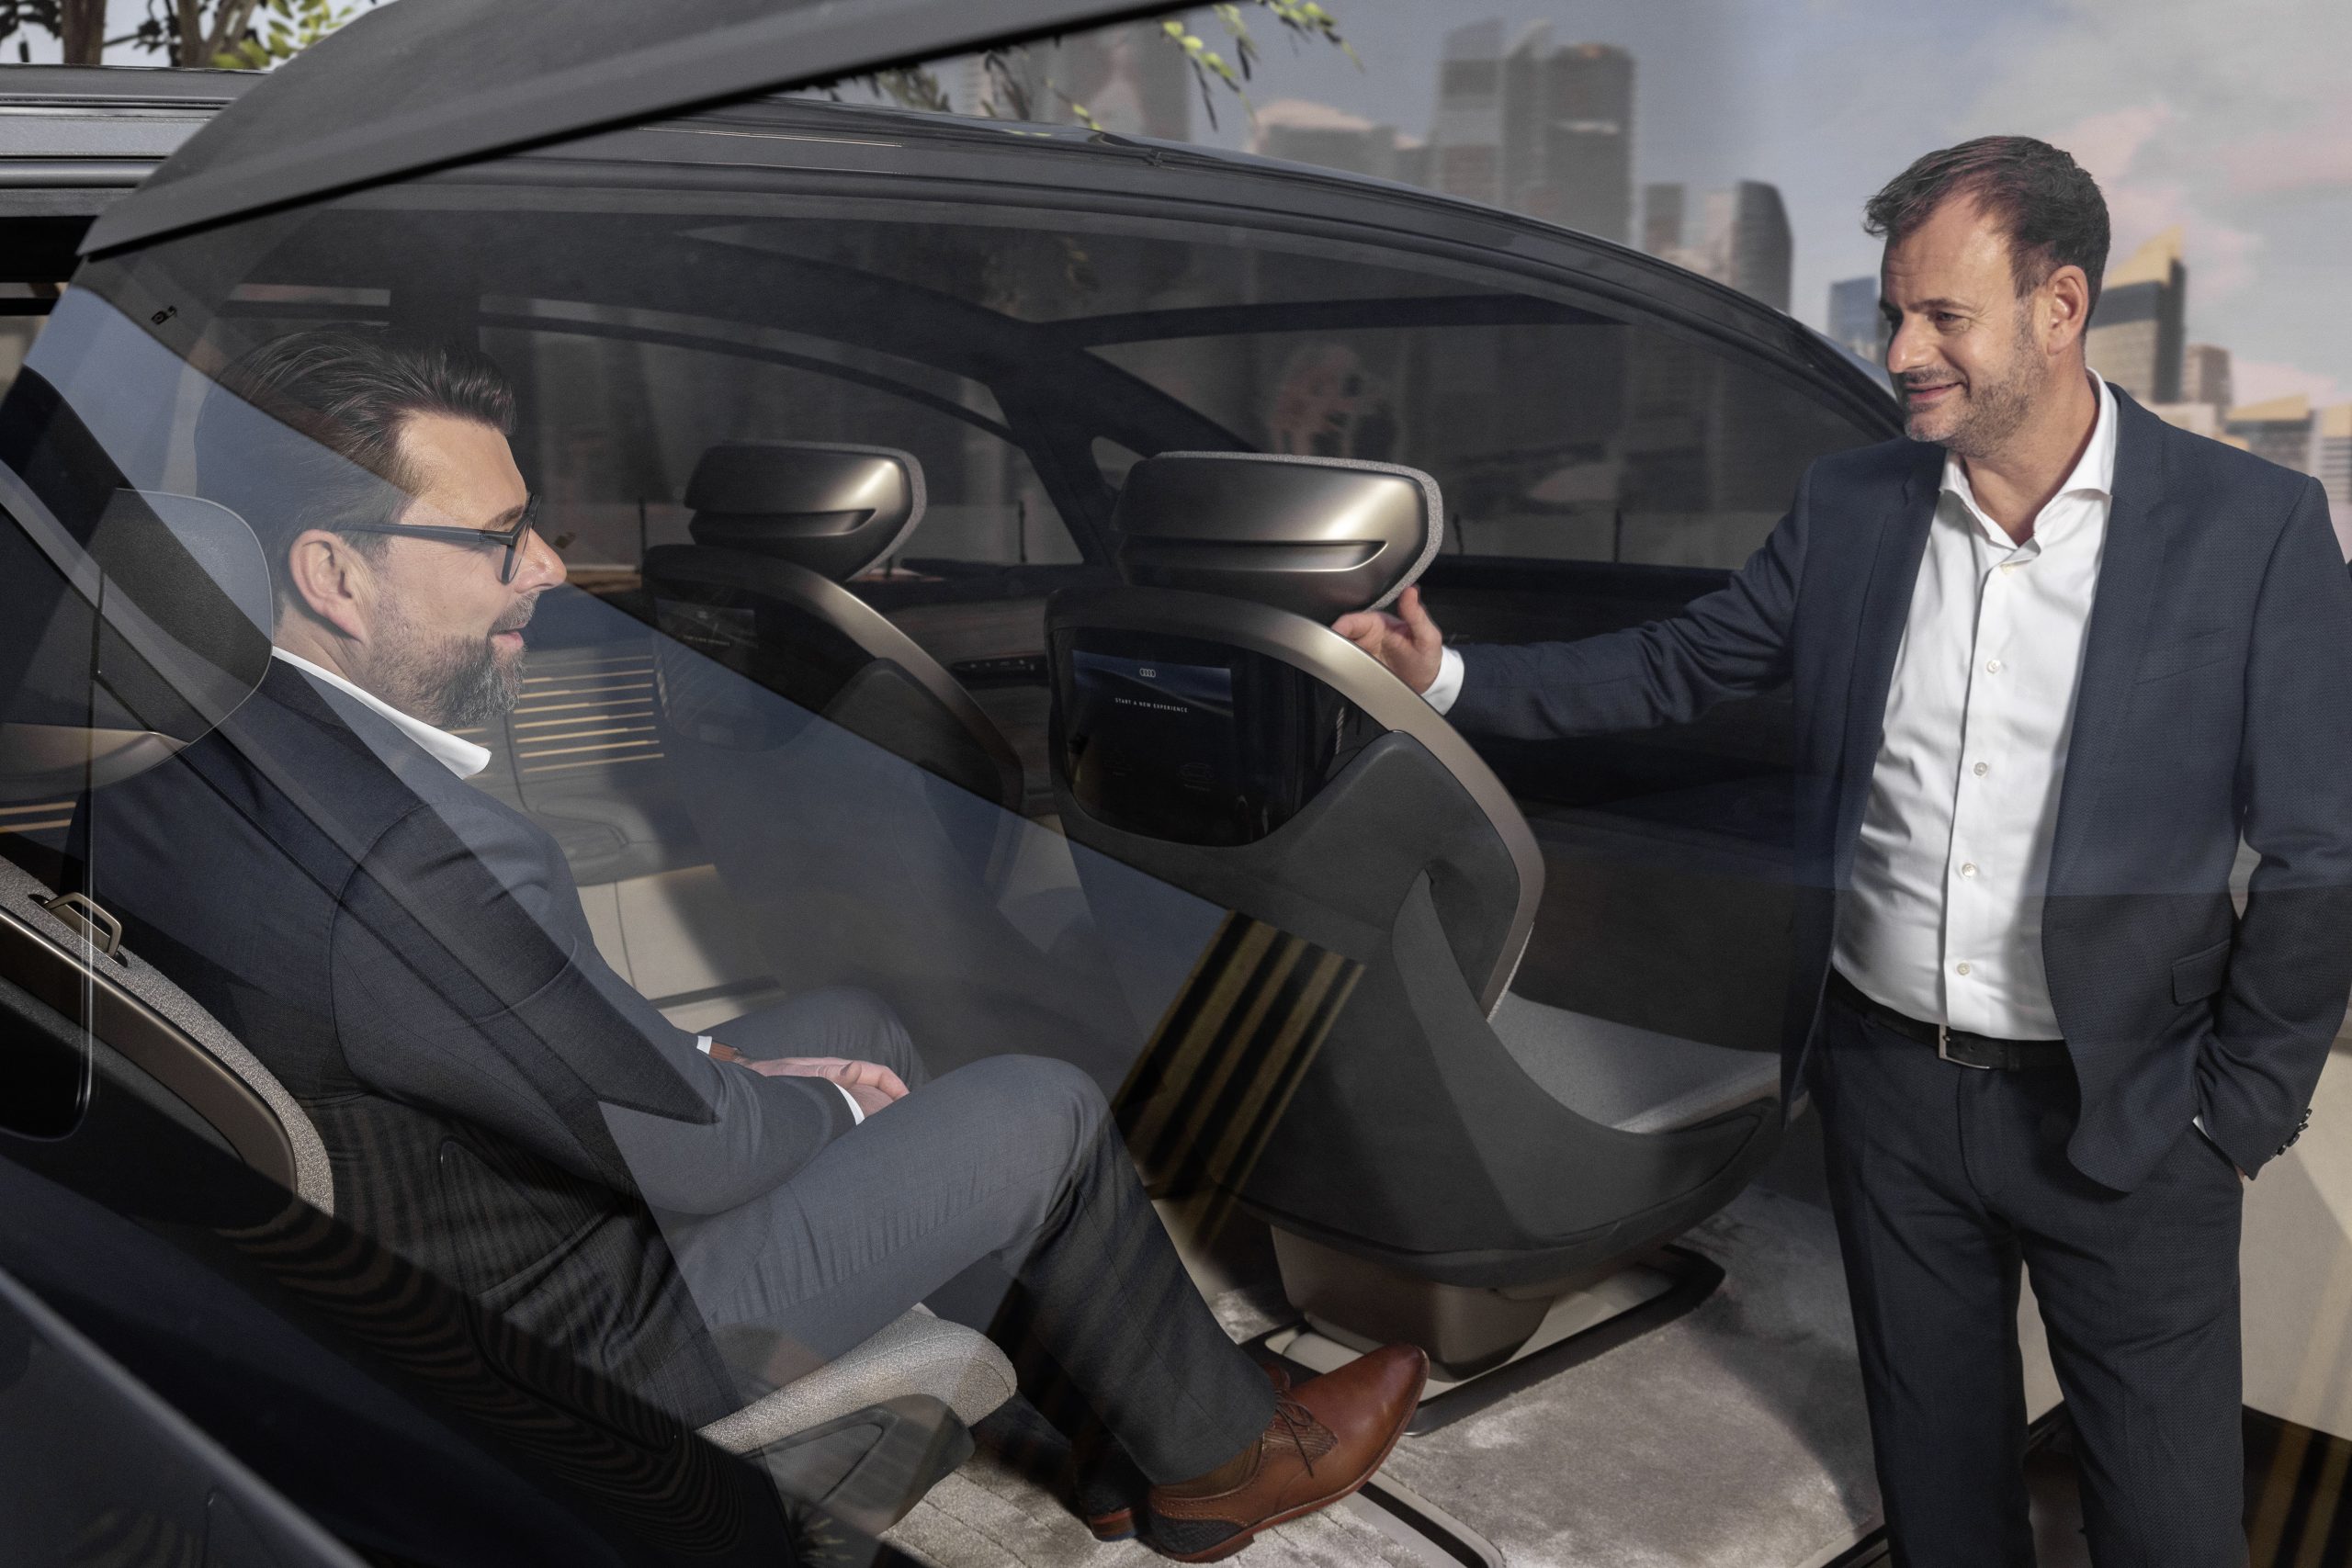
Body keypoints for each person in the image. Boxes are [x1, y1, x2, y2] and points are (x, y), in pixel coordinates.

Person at [74, 325, 1425, 1562]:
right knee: (1044, 1108)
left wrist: (745, 1074)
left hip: (441, 1240)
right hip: (582, 1330)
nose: (546, 568)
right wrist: (821, 1108)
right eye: (499, 539)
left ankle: (1115, 1419)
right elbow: (695, 1145)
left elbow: (514, 1050)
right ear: (333, 575)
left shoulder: (180, 754)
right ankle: (1217, 1470)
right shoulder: (414, 855)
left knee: (859, 1021)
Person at [1338, 136, 2352, 1567]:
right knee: (1941, 1498)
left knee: (2170, 1528)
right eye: (1891, 314)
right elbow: (1680, 667)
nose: (1902, 352)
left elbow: (2323, 850)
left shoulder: (2256, 527)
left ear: (2060, 306)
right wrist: (1447, 679)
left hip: (2132, 1114)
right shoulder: (1852, 504)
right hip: (1888, 1091)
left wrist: (2236, 1112)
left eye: (1943, 316)